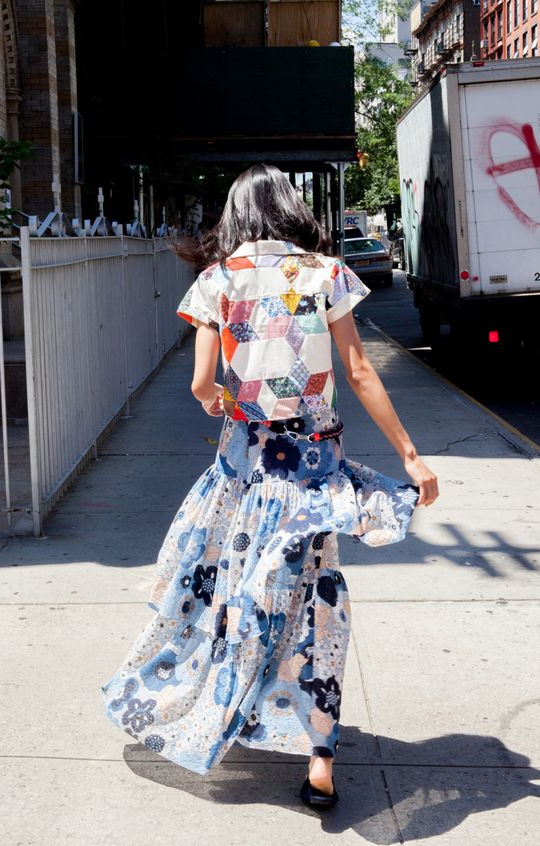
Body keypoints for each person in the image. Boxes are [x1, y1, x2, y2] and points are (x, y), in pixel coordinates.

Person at [101, 164, 438, 809]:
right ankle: (319, 756)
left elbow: (202, 386)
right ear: (289, 208)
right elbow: (361, 372)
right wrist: (411, 456)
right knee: (315, 603)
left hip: (245, 470)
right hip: (313, 472)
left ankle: (223, 711)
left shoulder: (216, 282)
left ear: (236, 215)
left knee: (234, 593)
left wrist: (231, 401)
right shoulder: (326, 274)